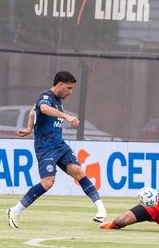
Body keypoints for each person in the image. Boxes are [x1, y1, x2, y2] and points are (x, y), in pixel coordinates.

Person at [7, 71, 106, 228]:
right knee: (47, 182)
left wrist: (28, 128)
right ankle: (15, 210)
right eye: (69, 88)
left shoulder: (58, 100)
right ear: (60, 84)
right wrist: (66, 117)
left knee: (78, 172)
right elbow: (43, 109)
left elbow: (33, 111)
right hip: (45, 147)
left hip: (60, 145)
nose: (71, 92)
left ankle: (101, 210)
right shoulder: (46, 96)